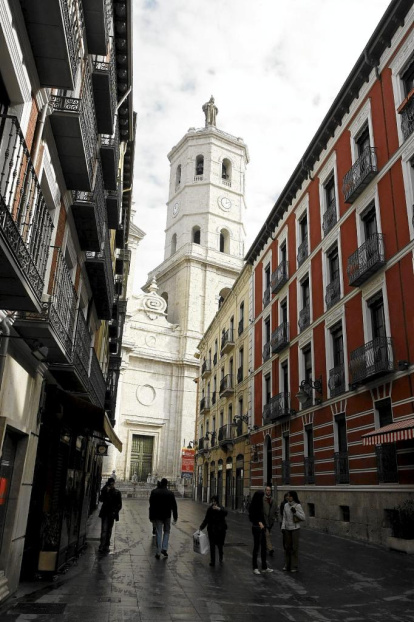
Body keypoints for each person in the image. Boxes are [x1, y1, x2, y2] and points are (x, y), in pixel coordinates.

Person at [149, 478, 178, 559]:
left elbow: (151, 505)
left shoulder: (154, 492)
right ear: (167, 484)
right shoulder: (170, 493)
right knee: (167, 531)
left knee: (158, 532)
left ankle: (158, 551)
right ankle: (164, 548)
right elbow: (174, 506)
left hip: (157, 516)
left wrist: (151, 517)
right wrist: (175, 517)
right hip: (167, 516)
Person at [249, 490, 273, 575]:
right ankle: (255, 567)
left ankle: (264, 566)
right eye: (262, 496)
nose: (263, 497)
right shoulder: (253, 506)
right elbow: (251, 517)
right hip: (256, 528)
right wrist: (258, 522)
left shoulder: (261, 505)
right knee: (256, 547)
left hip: (262, 528)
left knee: (263, 547)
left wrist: (265, 525)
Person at [281, 490, 306, 573]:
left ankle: (294, 566)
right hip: (287, 529)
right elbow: (284, 517)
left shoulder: (297, 506)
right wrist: (283, 527)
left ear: (293, 497)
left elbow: (303, 517)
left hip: (295, 529)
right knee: (287, 547)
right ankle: (287, 564)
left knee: (294, 548)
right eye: (288, 496)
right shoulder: (285, 505)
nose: (288, 497)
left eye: (290, 496)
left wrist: (295, 513)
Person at [199, 495, 227, 567]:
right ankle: (212, 561)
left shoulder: (221, 508)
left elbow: (225, 513)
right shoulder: (210, 509)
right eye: (212, 501)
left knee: (220, 546)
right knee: (212, 546)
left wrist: (219, 509)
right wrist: (201, 527)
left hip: (220, 531)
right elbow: (206, 519)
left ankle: (221, 556)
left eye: (215, 501)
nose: (214, 503)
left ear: (217, 501)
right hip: (211, 530)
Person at [98, 477, 122, 553]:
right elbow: (101, 499)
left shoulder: (117, 492)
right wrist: (106, 491)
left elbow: (119, 504)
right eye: (111, 484)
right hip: (105, 513)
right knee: (104, 530)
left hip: (111, 513)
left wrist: (115, 511)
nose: (112, 485)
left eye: (113, 483)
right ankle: (102, 546)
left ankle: (106, 545)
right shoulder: (105, 490)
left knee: (109, 530)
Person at [263, 485, 277, 557]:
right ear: (265, 491)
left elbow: (276, 510)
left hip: (271, 521)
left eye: (269, 490)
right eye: (267, 490)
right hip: (264, 521)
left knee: (266, 535)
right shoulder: (262, 500)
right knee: (267, 535)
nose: (268, 491)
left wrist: (276, 518)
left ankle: (264, 546)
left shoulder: (273, 500)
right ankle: (270, 549)